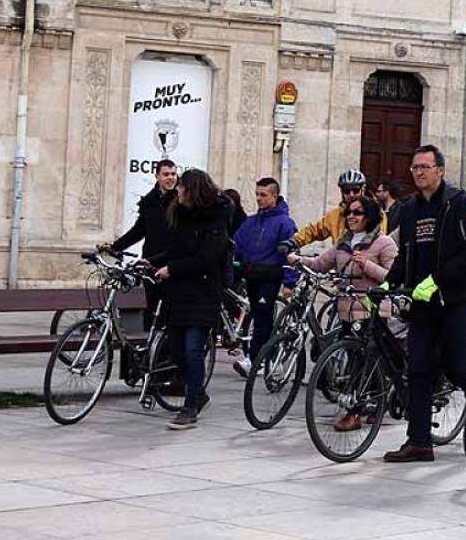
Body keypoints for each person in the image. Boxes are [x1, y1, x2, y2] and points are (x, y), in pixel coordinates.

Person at [383, 145, 466, 462]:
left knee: (460, 367)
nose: (418, 172)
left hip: (453, 301)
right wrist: (389, 283)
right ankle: (418, 441)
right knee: (418, 369)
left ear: (440, 170)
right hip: (422, 305)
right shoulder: (410, 209)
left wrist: (439, 280)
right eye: (414, 167)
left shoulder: (457, 205)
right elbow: (405, 253)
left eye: (424, 166)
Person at [289, 198, 398, 430]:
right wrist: (298, 260)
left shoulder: (384, 243)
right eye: (349, 212)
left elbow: (392, 277)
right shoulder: (344, 243)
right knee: (357, 358)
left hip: (372, 310)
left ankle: (355, 411)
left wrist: (367, 265)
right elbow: (320, 263)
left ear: (369, 216)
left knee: (365, 359)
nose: (351, 216)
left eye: (357, 213)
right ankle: (374, 400)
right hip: (347, 310)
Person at [153, 169, 234, 430]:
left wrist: (173, 269)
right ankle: (198, 394)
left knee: (192, 349)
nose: (177, 191)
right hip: (178, 294)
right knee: (176, 351)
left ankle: (189, 408)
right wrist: (153, 262)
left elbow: (207, 258)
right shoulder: (180, 214)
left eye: (181, 187)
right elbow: (174, 250)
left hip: (203, 292)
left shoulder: (217, 218)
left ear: (193, 190)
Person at [231, 177, 298, 377]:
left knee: (263, 317)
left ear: (274, 196)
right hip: (251, 275)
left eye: (263, 195)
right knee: (256, 316)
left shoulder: (285, 223)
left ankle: (256, 359)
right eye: (257, 194)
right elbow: (237, 245)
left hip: (270, 277)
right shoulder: (251, 222)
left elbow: (290, 254)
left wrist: (289, 282)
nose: (259, 199)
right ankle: (267, 357)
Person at [108, 159, 179, 331]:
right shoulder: (150, 200)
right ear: (157, 176)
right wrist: (115, 247)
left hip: (172, 259)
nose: (170, 178)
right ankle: (147, 348)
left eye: (173, 174)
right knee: (151, 306)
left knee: (170, 308)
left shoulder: (180, 200)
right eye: (166, 174)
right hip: (151, 260)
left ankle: (165, 352)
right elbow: (139, 230)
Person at [287, 169, 373, 251]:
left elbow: (378, 240)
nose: (351, 194)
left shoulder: (375, 214)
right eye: (347, 191)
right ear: (342, 192)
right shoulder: (335, 215)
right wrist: (294, 241)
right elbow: (314, 231)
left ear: (363, 190)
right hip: (341, 262)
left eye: (355, 190)